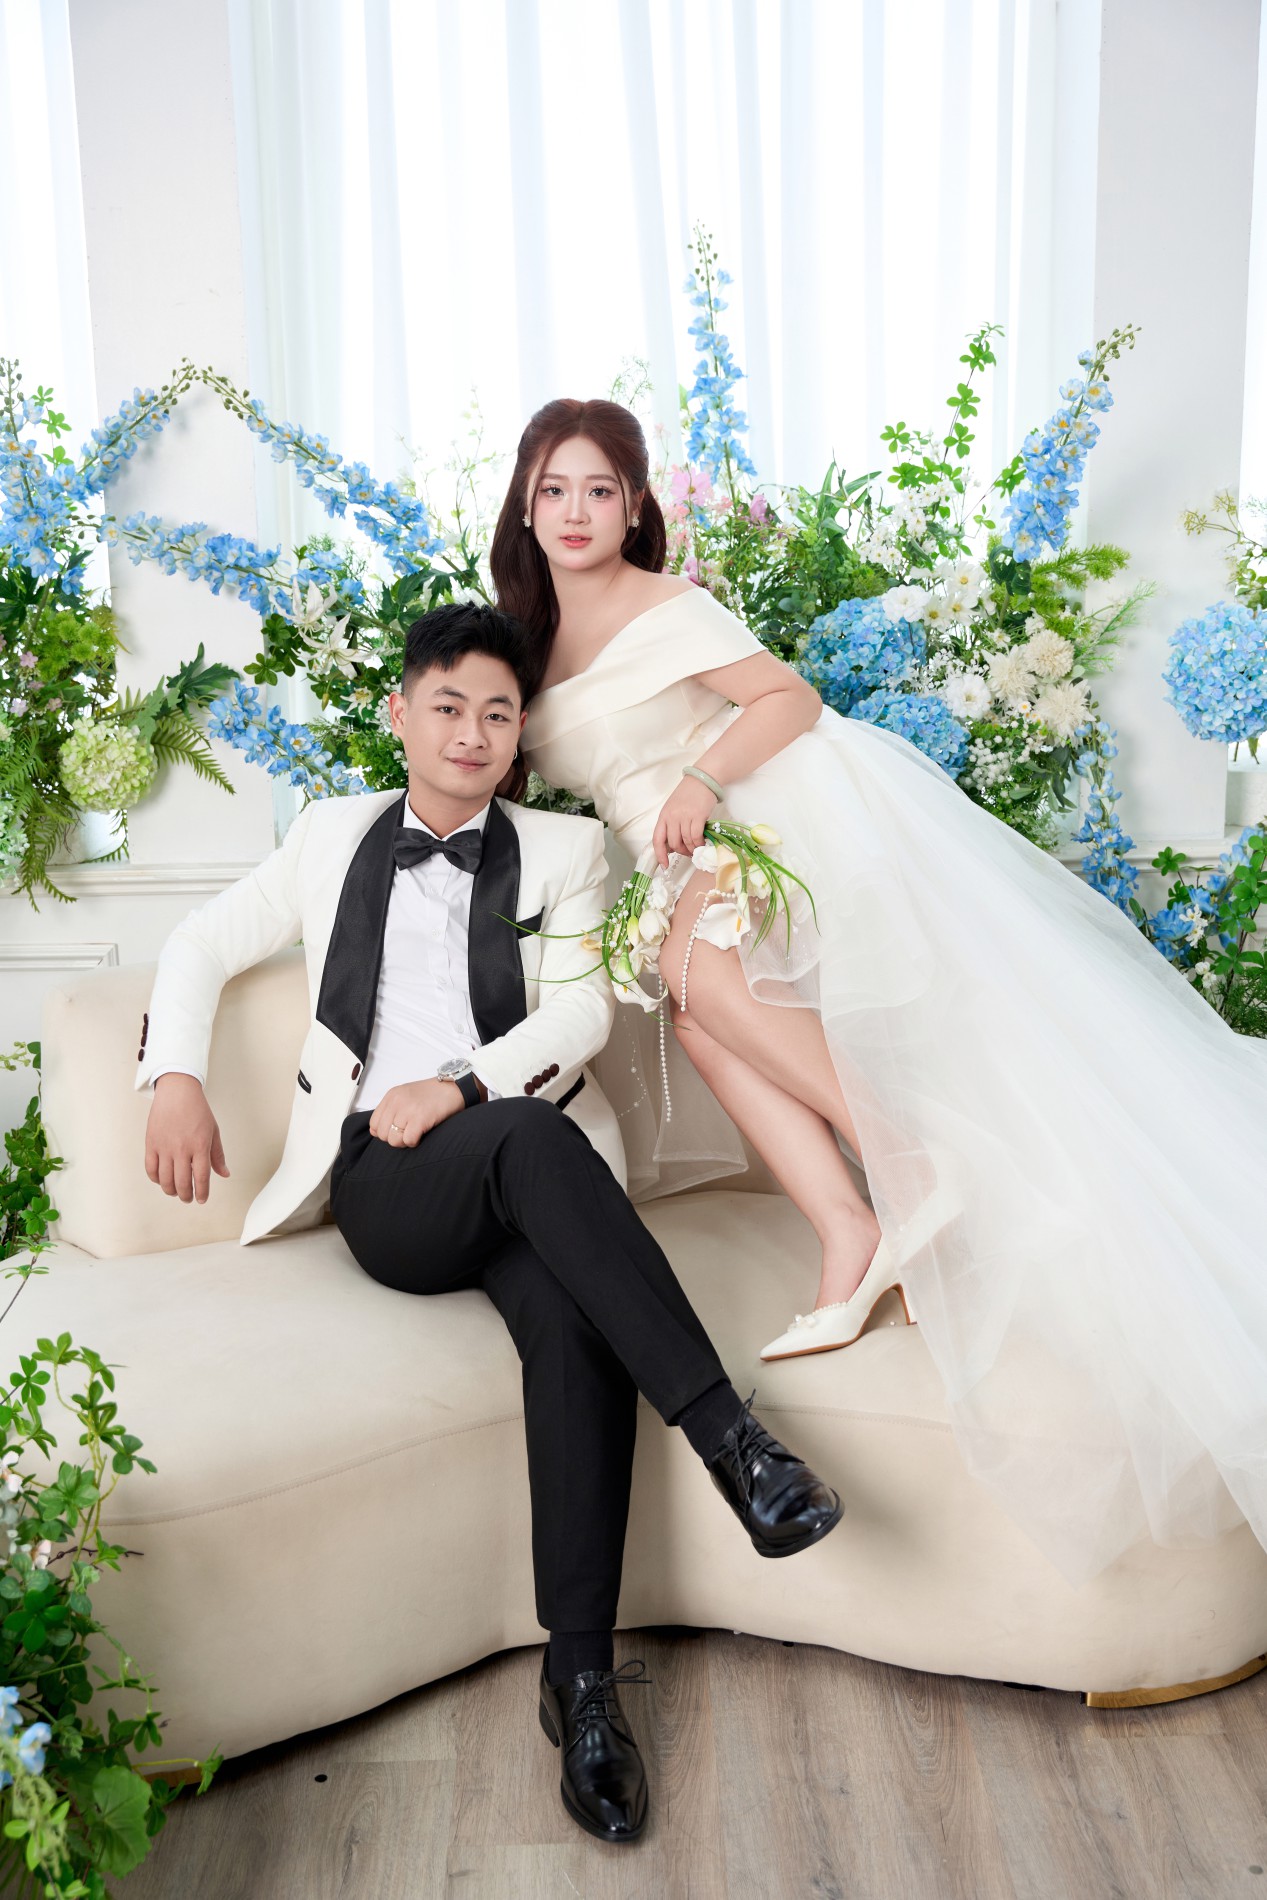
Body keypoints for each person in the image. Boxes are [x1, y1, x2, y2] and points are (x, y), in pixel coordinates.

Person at [492, 397, 1267, 1591]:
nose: (576, 511)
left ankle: (908, 1156)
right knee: (698, 1018)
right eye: (554, 489)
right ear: (524, 502)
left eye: (599, 488)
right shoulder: (526, 646)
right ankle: (853, 1232)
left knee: (697, 975)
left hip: (745, 811)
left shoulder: (666, 606)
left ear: (635, 502)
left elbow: (788, 698)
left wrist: (701, 782)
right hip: (660, 858)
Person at [138, 602, 843, 1845]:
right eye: (448, 706)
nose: (472, 732)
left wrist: (460, 1085)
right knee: (524, 1135)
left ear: (522, 734)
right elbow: (200, 941)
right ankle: (735, 1444)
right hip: (390, 1181)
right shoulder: (327, 833)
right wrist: (175, 1077)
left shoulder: (565, 853)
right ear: (400, 713)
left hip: (522, 1163)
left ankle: (582, 1684)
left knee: (572, 1324)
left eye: (499, 713)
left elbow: (578, 1017)